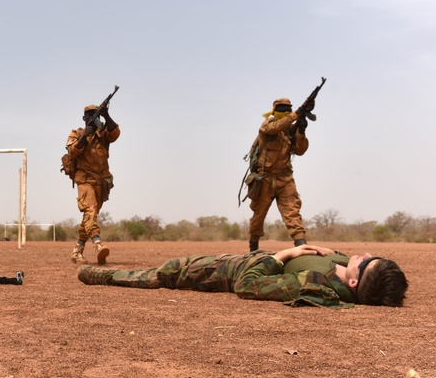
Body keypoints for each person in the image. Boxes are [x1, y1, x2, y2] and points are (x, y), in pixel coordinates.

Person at [77, 245, 407, 308]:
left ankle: (99, 276)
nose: (364, 255)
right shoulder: (343, 267)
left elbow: (247, 286)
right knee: (170, 267)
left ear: (354, 283)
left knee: (166, 272)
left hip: (229, 270)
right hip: (244, 257)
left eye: (368, 262)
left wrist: (283, 256)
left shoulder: (314, 286)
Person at [246, 96, 310, 252]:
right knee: (258, 217)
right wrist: (297, 114)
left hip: (285, 179)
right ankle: (253, 250)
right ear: (275, 111)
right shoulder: (268, 124)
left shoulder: (289, 131)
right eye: (282, 109)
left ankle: (303, 249)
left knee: (293, 214)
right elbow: (274, 128)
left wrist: (301, 130)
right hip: (264, 179)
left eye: (288, 109)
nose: (286, 112)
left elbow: (300, 151)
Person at [65, 102, 120, 264]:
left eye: (95, 114)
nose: (93, 117)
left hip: (101, 181)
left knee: (90, 216)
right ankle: (98, 244)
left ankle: (77, 251)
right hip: (84, 179)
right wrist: (84, 136)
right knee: (90, 209)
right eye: (90, 114)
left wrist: (106, 115)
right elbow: (72, 152)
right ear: (84, 118)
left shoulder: (103, 134)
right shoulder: (76, 133)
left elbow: (115, 134)